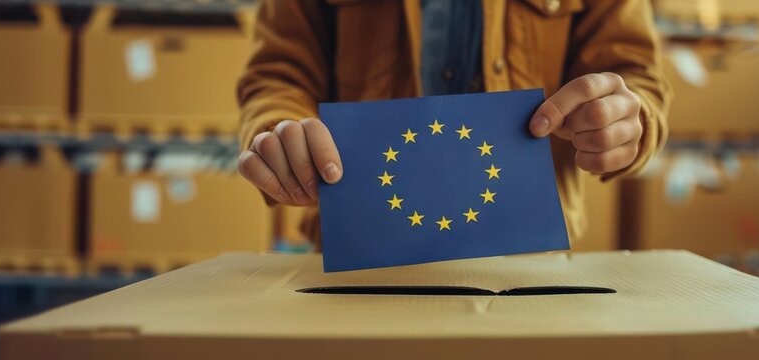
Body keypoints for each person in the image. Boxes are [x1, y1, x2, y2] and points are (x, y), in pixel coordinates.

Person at [237, 0, 671, 245]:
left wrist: (628, 122)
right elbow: (279, 74)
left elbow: (634, 75)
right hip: (361, 254)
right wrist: (281, 131)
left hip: (532, 264)